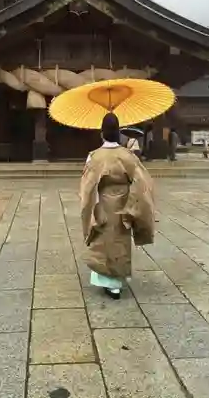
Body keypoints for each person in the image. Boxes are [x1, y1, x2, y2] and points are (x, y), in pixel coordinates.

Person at [80, 113, 155, 300]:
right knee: (120, 241)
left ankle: (109, 282)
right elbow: (142, 183)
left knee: (103, 242)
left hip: (102, 203)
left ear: (102, 133)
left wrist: (89, 209)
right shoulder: (127, 156)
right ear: (118, 133)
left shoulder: (94, 157)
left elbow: (87, 187)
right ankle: (117, 282)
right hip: (124, 205)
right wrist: (133, 207)